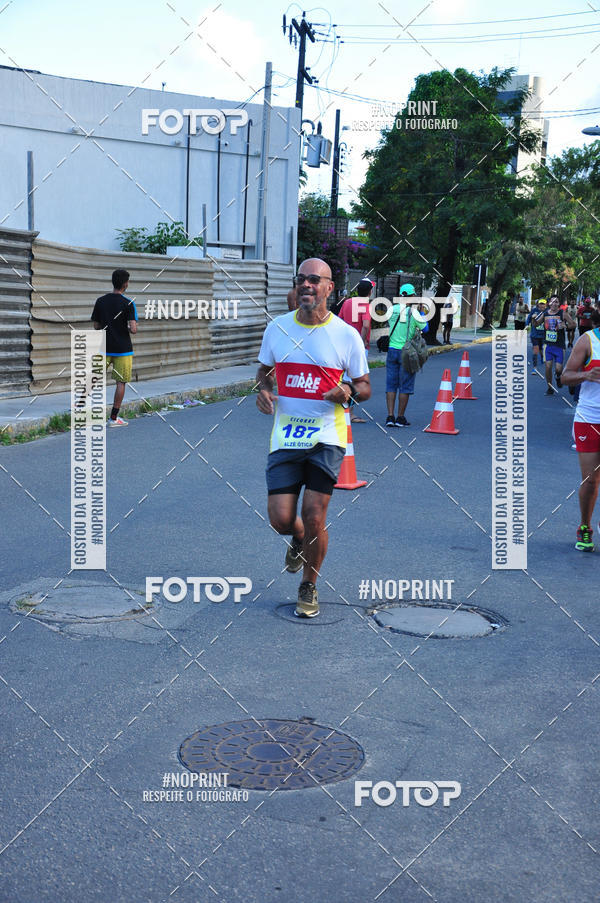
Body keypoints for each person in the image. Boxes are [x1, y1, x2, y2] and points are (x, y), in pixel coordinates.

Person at [256, 258, 371, 618]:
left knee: (315, 514)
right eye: (301, 279)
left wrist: (347, 390)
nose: (306, 285)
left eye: (314, 280)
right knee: (280, 518)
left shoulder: (345, 335)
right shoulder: (276, 329)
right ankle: (298, 539)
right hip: (285, 437)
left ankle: (309, 585)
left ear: (329, 288)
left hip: (327, 437)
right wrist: (263, 390)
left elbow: (365, 387)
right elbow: (264, 371)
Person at [560, 308, 600, 551]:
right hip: (590, 417)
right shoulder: (588, 341)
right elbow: (565, 376)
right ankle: (585, 527)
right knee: (591, 480)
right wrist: (586, 374)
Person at [91, 268, 137, 426]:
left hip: (104, 346)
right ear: (125, 284)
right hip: (123, 349)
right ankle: (113, 418)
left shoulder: (101, 301)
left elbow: (96, 326)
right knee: (120, 383)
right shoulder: (129, 303)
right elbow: (134, 329)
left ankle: (80, 410)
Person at [385, 283, 427, 427]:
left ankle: (390, 417)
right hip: (406, 352)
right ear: (411, 296)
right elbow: (425, 328)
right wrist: (421, 313)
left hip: (391, 350)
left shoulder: (392, 309)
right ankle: (400, 417)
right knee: (405, 385)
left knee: (391, 384)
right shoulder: (413, 313)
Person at [338, 279, 373, 422]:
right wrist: (361, 341)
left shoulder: (347, 303)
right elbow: (365, 325)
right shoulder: (365, 305)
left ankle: (342, 409)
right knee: (357, 380)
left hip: (344, 346)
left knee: (344, 377)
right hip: (358, 347)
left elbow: (339, 320)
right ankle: (350, 413)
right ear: (370, 292)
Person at [534, 295, 574, 395]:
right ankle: (550, 388)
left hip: (559, 345)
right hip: (548, 345)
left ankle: (558, 377)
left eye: (556, 302)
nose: (554, 303)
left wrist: (566, 325)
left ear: (558, 304)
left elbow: (573, 324)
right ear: (549, 303)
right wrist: (533, 319)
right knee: (548, 367)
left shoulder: (563, 313)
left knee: (558, 369)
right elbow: (536, 324)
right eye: (552, 301)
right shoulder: (545, 313)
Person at [525, 298, 546, 372]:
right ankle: (535, 367)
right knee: (535, 350)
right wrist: (527, 325)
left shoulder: (547, 312)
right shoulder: (534, 310)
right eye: (540, 303)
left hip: (543, 335)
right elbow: (528, 318)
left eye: (543, 304)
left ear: (546, 305)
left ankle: (543, 357)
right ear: (538, 304)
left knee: (541, 349)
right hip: (534, 334)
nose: (542, 305)